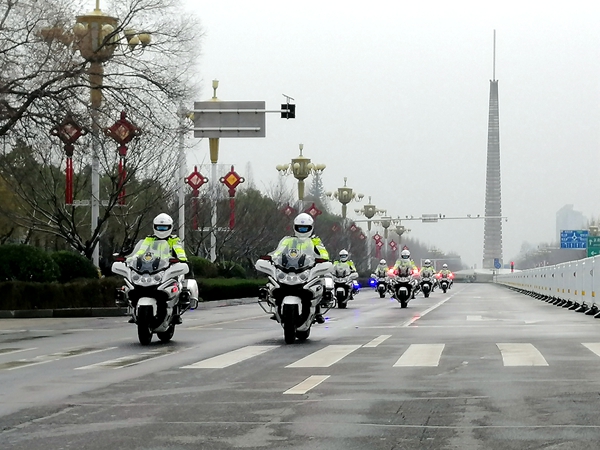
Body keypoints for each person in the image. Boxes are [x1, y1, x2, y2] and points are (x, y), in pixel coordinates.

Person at [128, 213, 196, 324]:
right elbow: (141, 250)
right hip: (151, 268)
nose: (162, 229)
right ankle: (136, 311)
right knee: (135, 289)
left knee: (177, 286)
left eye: (164, 227)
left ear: (170, 227)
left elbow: (179, 250)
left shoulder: (174, 240)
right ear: (154, 227)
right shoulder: (149, 239)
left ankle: (176, 313)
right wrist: (133, 258)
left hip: (169, 267)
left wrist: (182, 259)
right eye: (159, 227)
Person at [268, 212, 330, 323]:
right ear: (295, 227)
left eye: (305, 228)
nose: (302, 231)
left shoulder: (315, 241)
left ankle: (318, 310)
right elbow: (278, 251)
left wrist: (322, 260)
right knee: (274, 285)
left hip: (308, 269)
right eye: (300, 228)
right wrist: (272, 258)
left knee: (320, 284)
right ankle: (276, 309)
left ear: (311, 228)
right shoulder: (288, 240)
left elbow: (324, 254)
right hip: (290, 268)